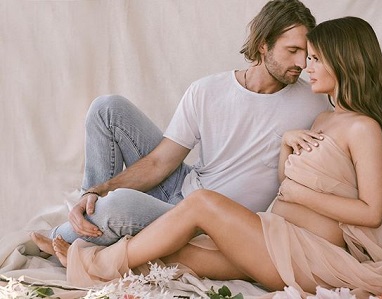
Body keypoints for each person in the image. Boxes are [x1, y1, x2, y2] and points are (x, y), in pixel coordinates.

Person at [50, 16, 382, 298]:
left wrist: (301, 197)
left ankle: (84, 251)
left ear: (344, 61)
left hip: (301, 254)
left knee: (198, 205)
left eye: (313, 58)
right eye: (298, 54)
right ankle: (85, 230)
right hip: (266, 235)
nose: (305, 68)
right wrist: (285, 145)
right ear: (264, 46)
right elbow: (287, 181)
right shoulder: (324, 116)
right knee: (174, 257)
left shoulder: (361, 127)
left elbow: (372, 212)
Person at [31, 0, 329, 252]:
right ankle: (86, 206)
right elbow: (161, 162)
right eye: (292, 51)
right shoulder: (207, 90)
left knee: (118, 206)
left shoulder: (312, 103)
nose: (303, 62)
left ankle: (70, 234)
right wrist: (100, 188)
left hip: (205, 220)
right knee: (107, 108)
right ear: (264, 45)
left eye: (307, 52)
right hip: (182, 185)